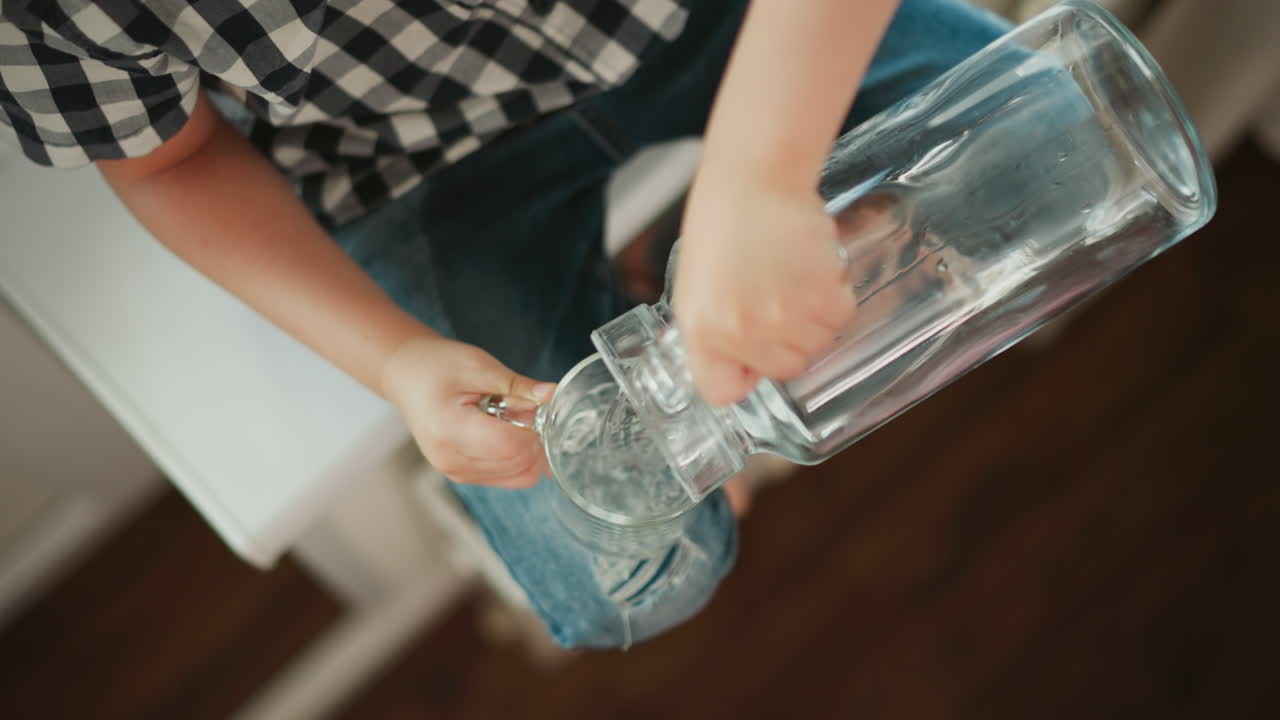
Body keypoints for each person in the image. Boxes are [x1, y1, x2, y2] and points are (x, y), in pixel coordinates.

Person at [0, 0, 1009, 647]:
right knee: (624, 580)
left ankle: (689, 283)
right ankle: (672, 316)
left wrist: (763, 173)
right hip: (415, 161)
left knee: (1035, 151)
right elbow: (170, 162)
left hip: (709, 20)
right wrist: (398, 363)